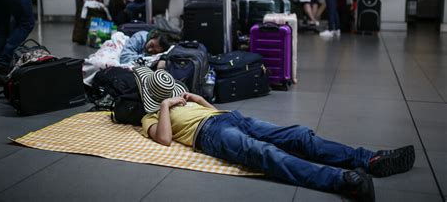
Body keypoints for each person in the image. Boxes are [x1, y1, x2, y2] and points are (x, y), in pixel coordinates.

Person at [134, 67, 416, 202]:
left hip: (228, 119)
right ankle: (344, 181)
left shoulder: (185, 100)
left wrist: (197, 99)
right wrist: (164, 105)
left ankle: (370, 160)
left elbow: (215, 111)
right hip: (207, 134)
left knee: (299, 135)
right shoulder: (152, 115)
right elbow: (164, 140)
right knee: (263, 153)